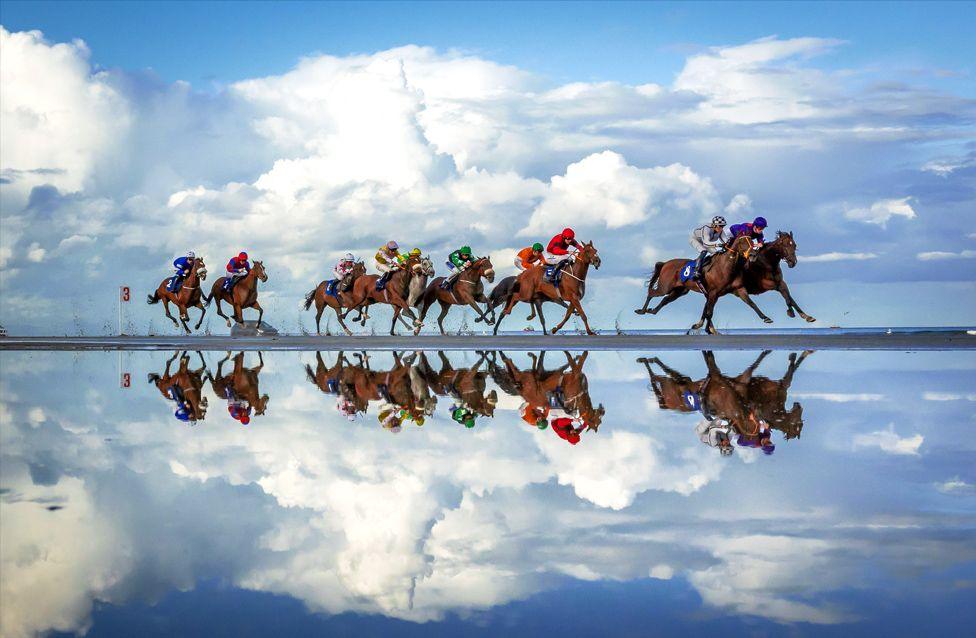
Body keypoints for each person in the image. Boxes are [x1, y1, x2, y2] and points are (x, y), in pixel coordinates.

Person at [689, 216, 731, 288]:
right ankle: (696, 272)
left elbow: (726, 241)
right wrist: (719, 244)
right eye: (720, 226)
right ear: (714, 225)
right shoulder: (707, 228)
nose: (721, 228)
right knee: (703, 251)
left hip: (706, 242)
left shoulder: (720, 231)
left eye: (723, 226)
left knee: (716, 254)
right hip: (695, 240)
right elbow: (706, 243)